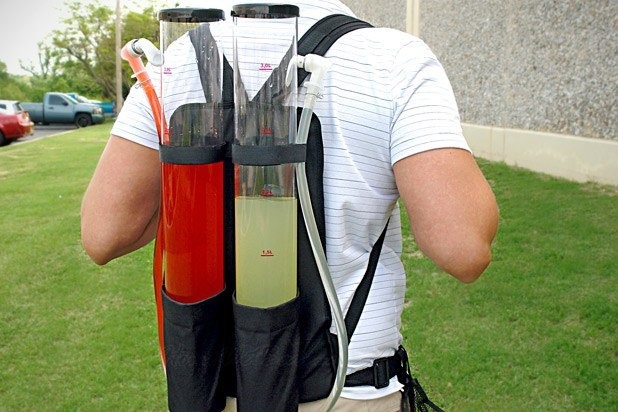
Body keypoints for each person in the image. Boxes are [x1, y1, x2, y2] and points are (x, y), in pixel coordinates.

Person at [81, 0, 499, 410]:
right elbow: (462, 248)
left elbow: (104, 235)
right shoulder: (393, 60)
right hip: (345, 394)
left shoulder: (176, 61)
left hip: (210, 389)